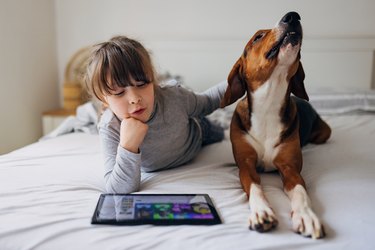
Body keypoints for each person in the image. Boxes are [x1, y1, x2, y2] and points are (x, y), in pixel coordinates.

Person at [85, 36, 227, 194]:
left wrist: (243, 77)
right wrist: (128, 146)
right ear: (104, 100)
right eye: (119, 93)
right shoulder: (110, 127)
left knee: (224, 132)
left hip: (199, 133)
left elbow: (209, 101)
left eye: (141, 84)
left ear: (152, 81)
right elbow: (117, 189)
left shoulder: (175, 97)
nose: (134, 99)